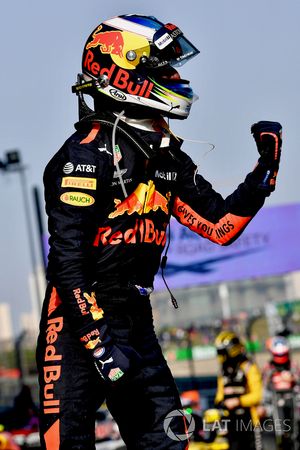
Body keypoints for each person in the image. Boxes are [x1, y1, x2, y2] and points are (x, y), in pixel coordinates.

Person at [36, 14, 282, 450]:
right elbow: (66, 263)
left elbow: (221, 227)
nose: (174, 77)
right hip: (75, 328)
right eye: (160, 67)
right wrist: (98, 344)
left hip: (136, 320)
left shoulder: (168, 156)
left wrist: (262, 175)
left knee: (171, 443)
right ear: (121, 69)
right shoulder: (84, 156)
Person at [214, 331, 263, 450]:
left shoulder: (249, 367)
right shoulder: (223, 371)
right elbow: (219, 396)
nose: (221, 356)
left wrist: (238, 401)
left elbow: (258, 395)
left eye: (223, 352)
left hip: (250, 422)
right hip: (231, 424)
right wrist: (221, 405)